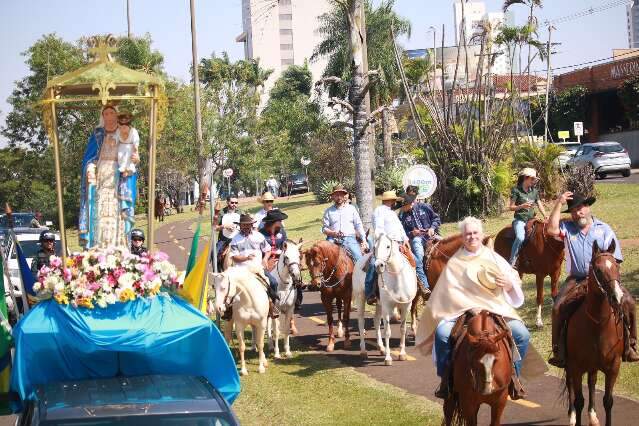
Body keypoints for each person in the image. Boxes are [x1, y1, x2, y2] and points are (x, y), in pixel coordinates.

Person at [416, 216, 529, 400]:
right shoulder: (455, 262)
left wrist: (508, 285)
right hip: (462, 311)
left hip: (496, 309)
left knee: (521, 334)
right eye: (467, 234)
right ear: (462, 236)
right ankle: (447, 381)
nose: (472, 237)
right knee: (442, 334)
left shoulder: (494, 257)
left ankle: (513, 377)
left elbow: (512, 282)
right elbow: (448, 292)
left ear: (481, 234)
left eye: (475, 233)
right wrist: (470, 306)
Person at [546, 192, 638, 367]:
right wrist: (559, 203)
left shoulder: (604, 229)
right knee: (558, 307)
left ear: (587, 208)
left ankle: (630, 346)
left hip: (604, 279)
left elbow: (615, 259)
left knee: (629, 303)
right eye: (573, 210)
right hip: (577, 279)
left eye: (580, 208)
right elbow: (551, 230)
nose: (577, 213)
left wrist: (611, 280)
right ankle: (559, 351)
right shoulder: (567, 228)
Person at [79, 104, 139, 249]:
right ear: (102, 116)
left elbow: (132, 153)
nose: (109, 116)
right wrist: (89, 168)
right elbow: (89, 158)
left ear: (116, 115)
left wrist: (135, 159)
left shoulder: (125, 132)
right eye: (106, 113)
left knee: (117, 213)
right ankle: (98, 246)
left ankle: (118, 247)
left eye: (112, 113)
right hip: (100, 178)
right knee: (98, 211)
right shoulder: (97, 135)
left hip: (119, 178)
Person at [229, 214, 280, 316]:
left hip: (257, 268)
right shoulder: (235, 239)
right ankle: (229, 310)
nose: (246, 227)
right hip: (241, 270)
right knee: (229, 286)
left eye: (248, 224)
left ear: (252, 225)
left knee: (273, 283)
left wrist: (265, 259)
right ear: (240, 225)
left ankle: (272, 306)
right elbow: (234, 257)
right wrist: (246, 258)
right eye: (244, 225)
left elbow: (268, 250)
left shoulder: (259, 236)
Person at [364, 190, 409, 305]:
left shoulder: (392, 213)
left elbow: (400, 228)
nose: (395, 202)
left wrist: (405, 239)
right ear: (391, 200)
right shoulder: (379, 211)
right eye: (394, 200)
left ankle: (416, 287)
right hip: (385, 244)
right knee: (375, 264)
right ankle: (370, 293)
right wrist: (385, 241)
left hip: (398, 244)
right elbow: (379, 229)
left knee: (413, 261)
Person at [398, 194, 441, 295]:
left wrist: (432, 228)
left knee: (447, 244)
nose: (402, 209)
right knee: (419, 253)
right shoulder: (403, 215)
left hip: (432, 235)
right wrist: (412, 233)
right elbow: (403, 232)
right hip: (417, 239)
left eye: (403, 206)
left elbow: (436, 219)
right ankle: (421, 277)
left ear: (409, 204)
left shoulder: (424, 207)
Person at [508, 168, 547, 267]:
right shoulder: (516, 190)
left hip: (532, 219)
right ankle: (512, 261)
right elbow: (511, 207)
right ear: (526, 178)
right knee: (520, 237)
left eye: (535, 179)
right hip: (520, 220)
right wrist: (522, 206)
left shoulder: (534, 191)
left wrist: (545, 215)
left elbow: (539, 204)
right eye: (532, 179)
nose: (534, 182)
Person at [321, 184, 368, 261]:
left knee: (359, 258)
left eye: (341, 194)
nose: (339, 197)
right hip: (332, 239)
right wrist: (333, 233)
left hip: (349, 238)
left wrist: (364, 240)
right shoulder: (328, 211)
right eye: (336, 195)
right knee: (324, 260)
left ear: (344, 196)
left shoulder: (351, 209)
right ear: (332, 197)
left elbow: (358, 225)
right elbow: (324, 229)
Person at [214, 196, 241, 266]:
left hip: (238, 239)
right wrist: (225, 226)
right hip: (224, 240)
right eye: (232, 202)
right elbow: (214, 228)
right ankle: (216, 272)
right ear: (227, 202)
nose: (234, 204)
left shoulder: (240, 212)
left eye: (236, 203)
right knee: (214, 254)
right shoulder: (221, 213)